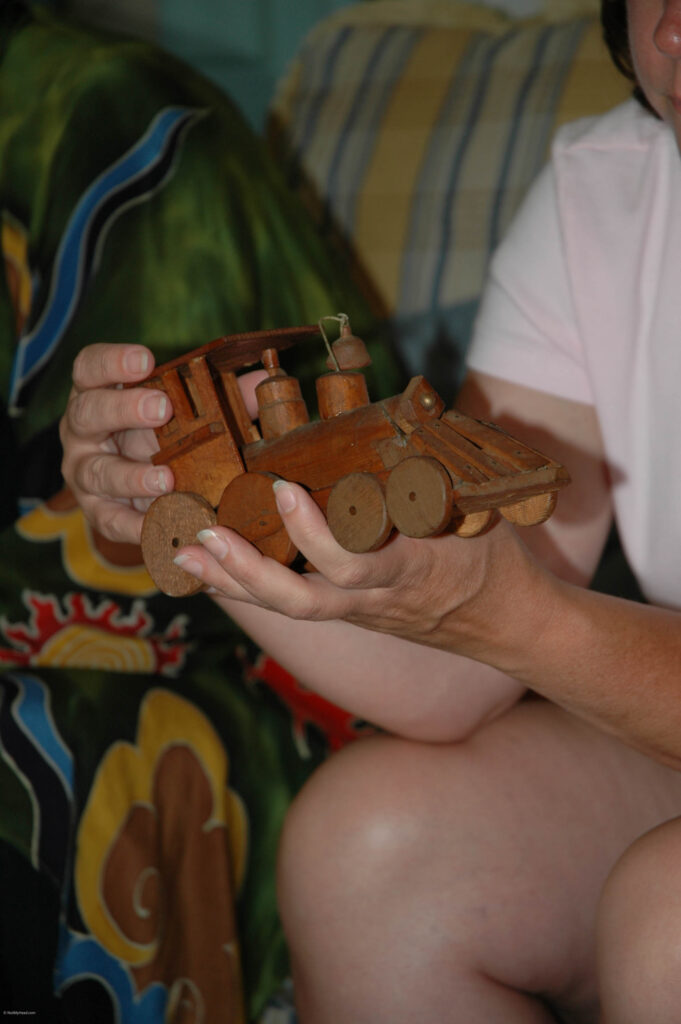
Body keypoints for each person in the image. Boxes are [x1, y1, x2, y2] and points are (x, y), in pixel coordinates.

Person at [60, 0, 681, 1020]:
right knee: (369, 848)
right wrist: (196, 512)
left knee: (671, 918)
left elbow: (514, 622)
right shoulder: (604, 191)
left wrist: (521, 617)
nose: (670, 33)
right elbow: (458, 677)